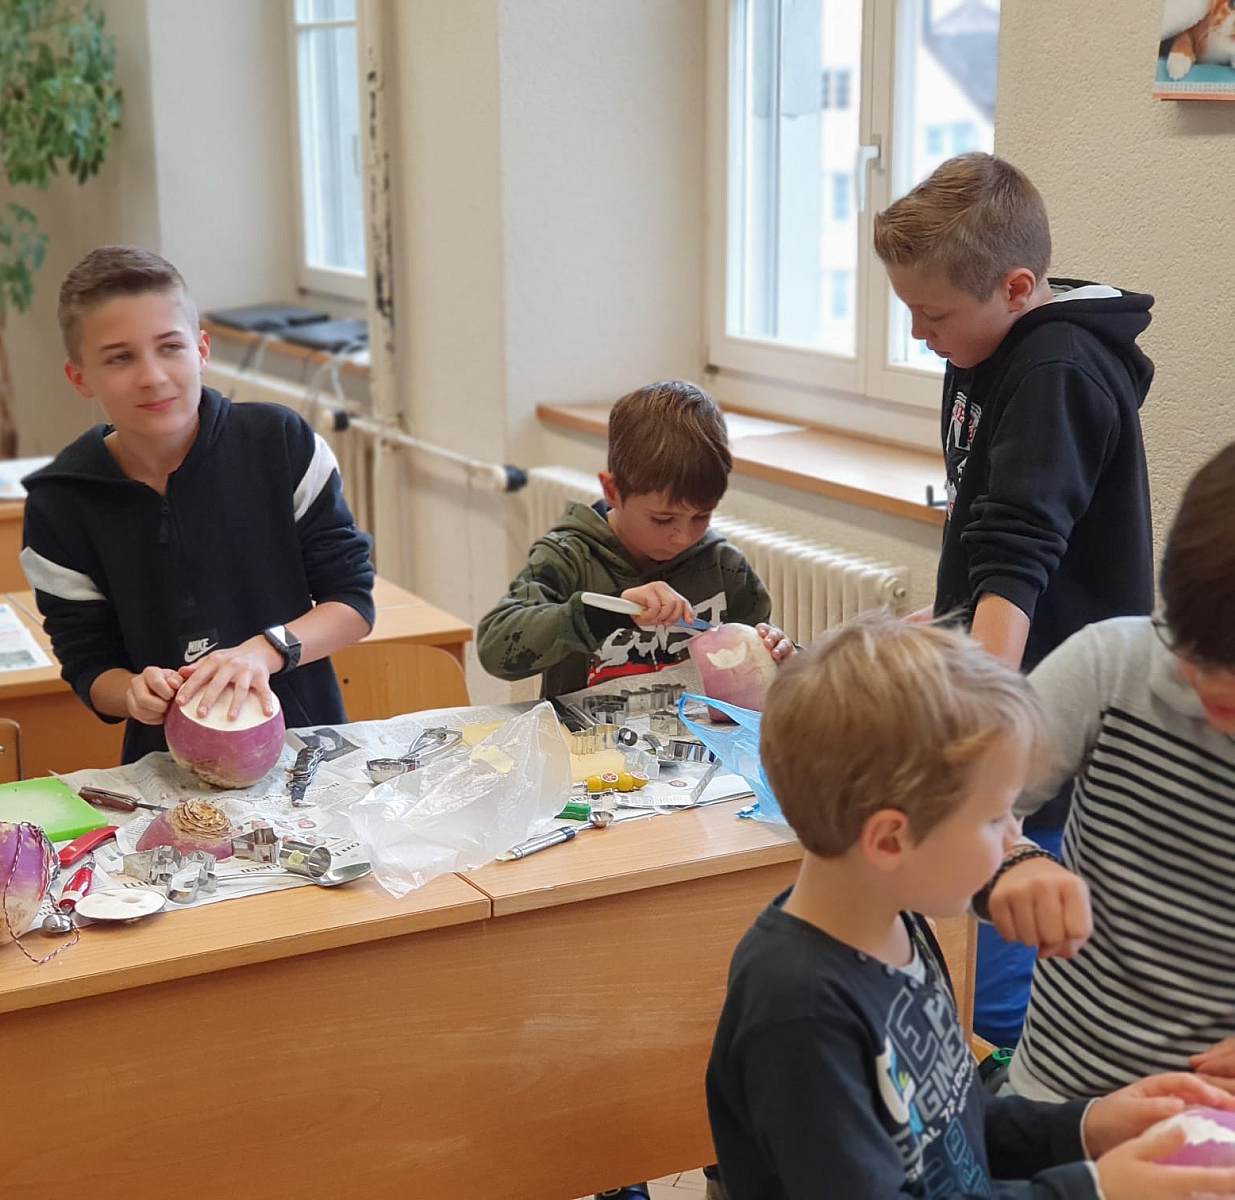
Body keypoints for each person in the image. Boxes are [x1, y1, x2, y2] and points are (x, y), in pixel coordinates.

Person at [705, 613, 1235, 1199]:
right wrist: (1093, 1189)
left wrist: (1083, 1126)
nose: (1016, 839)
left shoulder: (897, 925)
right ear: (891, 840)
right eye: (994, 818)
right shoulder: (799, 1012)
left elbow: (954, 1120)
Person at [875, 151, 1156, 1047]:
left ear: (1017, 287)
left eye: (932, 316)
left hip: (1045, 715)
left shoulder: (1055, 372)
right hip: (1007, 672)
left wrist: (979, 729)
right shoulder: (986, 340)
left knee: (1000, 960)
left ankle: (1007, 1093)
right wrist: (950, 623)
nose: (919, 333)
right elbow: (991, 523)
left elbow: (1019, 554)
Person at [20, 246, 375, 764]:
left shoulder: (281, 443)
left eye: (170, 347)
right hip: (168, 766)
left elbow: (352, 604)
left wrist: (263, 652)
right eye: (120, 358)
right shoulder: (59, 502)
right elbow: (88, 666)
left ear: (202, 349)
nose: (152, 376)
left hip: (305, 752)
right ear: (80, 378)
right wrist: (133, 692)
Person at [979, 439, 1235, 1103]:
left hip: (1208, 1133)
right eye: (1191, 653)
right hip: (1055, 1100)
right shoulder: (1112, 664)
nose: (1209, 687)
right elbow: (953, 804)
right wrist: (1008, 859)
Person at [477, 380, 790, 700]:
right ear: (613, 492)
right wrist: (609, 610)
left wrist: (780, 657)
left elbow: (759, 676)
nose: (683, 537)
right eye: (662, 519)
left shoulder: (724, 567)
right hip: (583, 733)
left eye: (701, 516)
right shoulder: (569, 558)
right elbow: (495, 649)